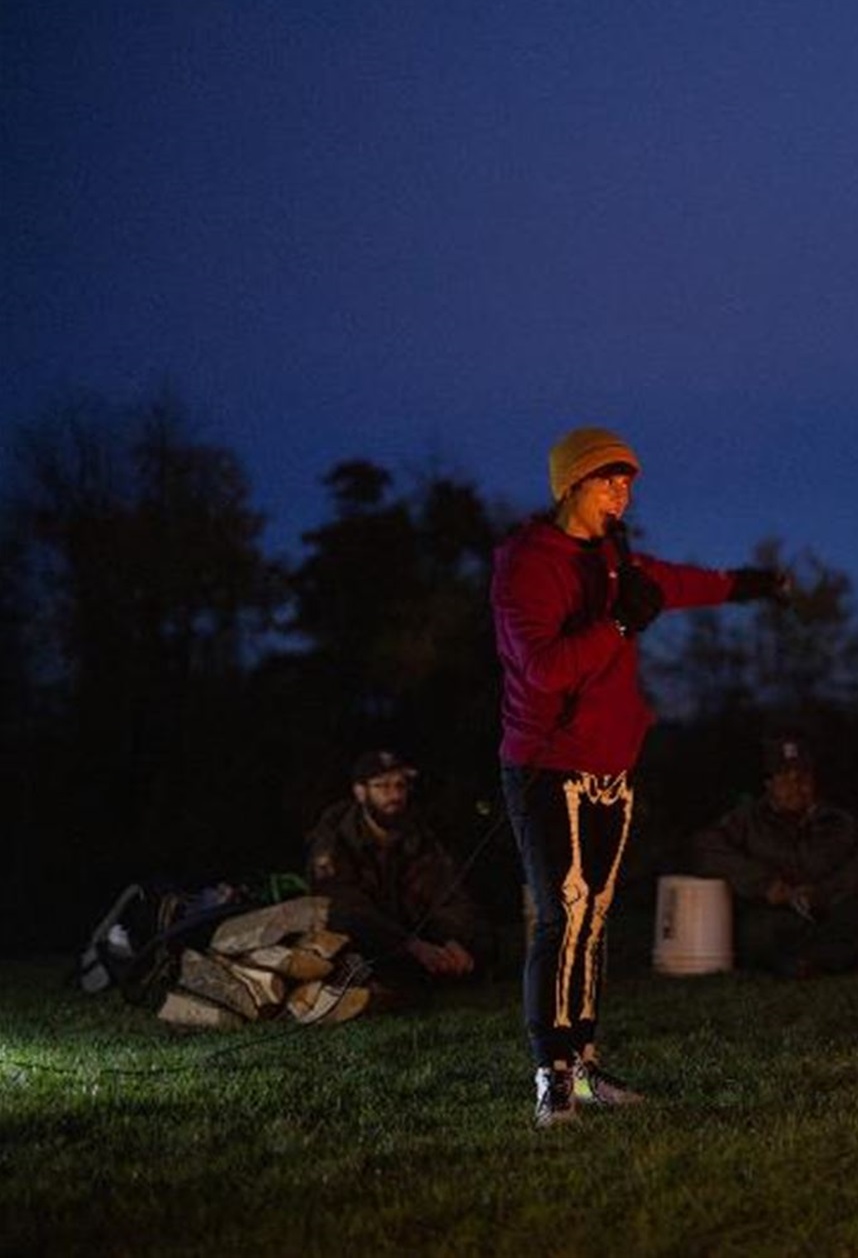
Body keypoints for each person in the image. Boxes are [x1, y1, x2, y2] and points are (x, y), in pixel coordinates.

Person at [492, 425, 789, 1128]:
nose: (622, 491)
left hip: (609, 764)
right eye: (607, 479)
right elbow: (544, 671)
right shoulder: (528, 564)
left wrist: (748, 586)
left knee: (593, 919)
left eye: (628, 480)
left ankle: (587, 1069)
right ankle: (552, 1078)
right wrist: (618, 628)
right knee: (561, 917)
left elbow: (675, 584)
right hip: (548, 765)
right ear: (571, 486)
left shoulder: (616, 560)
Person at [691, 733, 858, 978]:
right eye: (785, 780)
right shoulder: (746, 821)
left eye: (802, 779)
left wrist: (822, 893)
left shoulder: (839, 822)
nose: (796, 787)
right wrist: (766, 885)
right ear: (769, 785)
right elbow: (706, 850)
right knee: (758, 933)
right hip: (776, 915)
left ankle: (807, 962)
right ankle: (841, 960)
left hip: (827, 912)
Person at [304, 749, 494, 992]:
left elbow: (446, 892)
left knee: (482, 941)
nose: (394, 795)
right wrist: (411, 945)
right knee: (354, 936)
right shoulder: (335, 836)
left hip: (410, 930)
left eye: (400, 785)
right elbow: (342, 904)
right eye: (382, 786)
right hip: (369, 934)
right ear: (361, 792)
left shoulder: (416, 833)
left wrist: (456, 940)